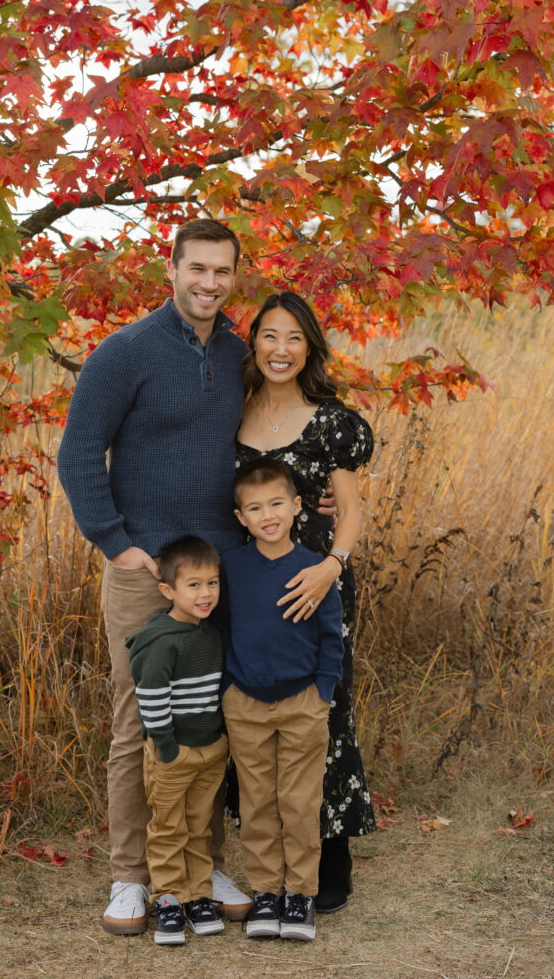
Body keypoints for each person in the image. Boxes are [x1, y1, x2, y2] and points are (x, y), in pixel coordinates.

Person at [57, 219, 252, 934]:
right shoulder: (125, 352)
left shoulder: (240, 354)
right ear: (170, 269)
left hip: (221, 573)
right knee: (138, 722)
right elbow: (78, 453)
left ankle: (199, 865)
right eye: (195, 268)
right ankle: (130, 877)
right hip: (145, 573)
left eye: (221, 271)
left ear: (235, 275)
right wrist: (115, 543)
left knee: (209, 721)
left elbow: (269, 442)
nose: (208, 283)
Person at [234, 289, 375, 914]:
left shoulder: (332, 420)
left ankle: (330, 853)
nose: (281, 349)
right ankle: (267, 863)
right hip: (249, 588)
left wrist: (331, 568)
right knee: (256, 714)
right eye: (269, 335)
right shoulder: (232, 413)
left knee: (325, 714)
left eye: (294, 337)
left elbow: (351, 510)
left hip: (317, 581)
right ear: (254, 342)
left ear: (310, 346)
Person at [218, 457, 344, 942]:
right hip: (245, 702)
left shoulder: (314, 568)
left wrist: (323, 692)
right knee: (256, 804)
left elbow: (333, 636)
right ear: (240, 517)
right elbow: (222, 627)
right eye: (254, 508)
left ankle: (300, 894)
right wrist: (230, 685)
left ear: (295, 506)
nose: (267, 515)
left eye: (276, 504)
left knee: (297, 801)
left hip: (302, 703)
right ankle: (267, 892)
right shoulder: (231, 567)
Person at [126, 536, 228, 946]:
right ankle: (168, 899)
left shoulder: (210, 635)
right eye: (194, 585)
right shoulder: (163, 640)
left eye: (213, 583)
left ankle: (199, 896)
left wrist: (219, 741)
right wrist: (168, 750)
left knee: (199, 826)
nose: (206, 593)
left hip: (211, 749)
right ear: (168, 590)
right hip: (174, 753)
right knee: (168, 827)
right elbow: (151, 700)